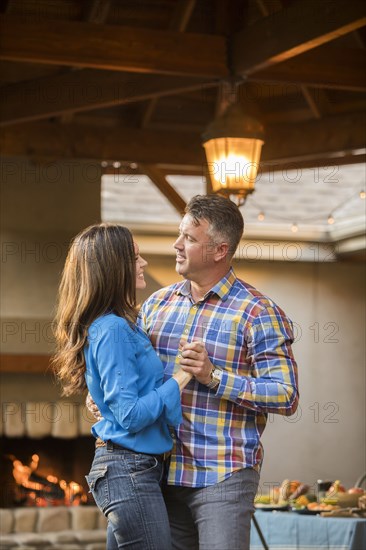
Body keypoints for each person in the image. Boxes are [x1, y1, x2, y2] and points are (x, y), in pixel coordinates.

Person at [137, 194, 299, 550]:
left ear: (220, 250)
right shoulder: (156, 304)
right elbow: (130, 371)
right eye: (180, 235)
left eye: (190, 239)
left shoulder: (259, 313)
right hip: (160, 473)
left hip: (223, 477)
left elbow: (286, 395)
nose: (177, 245)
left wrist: (215, 377)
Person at [52, 223, 192, 550]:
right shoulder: (112, 328)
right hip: (128, 471)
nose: (142, 264)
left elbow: (122, 397)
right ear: (113, 268)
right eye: (135, 258)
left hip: (134, 469)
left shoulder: (120, 324)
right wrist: (181, 379)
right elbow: (128, 415)